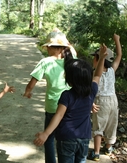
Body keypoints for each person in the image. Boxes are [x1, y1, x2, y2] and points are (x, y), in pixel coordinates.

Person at [33, 44, 108, 163]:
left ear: (70, 80)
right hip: (84, 138)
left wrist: (46, 133)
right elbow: (98, 75)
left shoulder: (67, 95)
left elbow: (59, 115)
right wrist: (102, 58)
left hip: (66, 138)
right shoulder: (91, 91)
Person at [23, 29, 75, 163]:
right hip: (70, 106)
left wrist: (28, 92)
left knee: (49, 138)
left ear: (53, 48)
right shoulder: (71, 60)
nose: (47, 50)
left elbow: (32, 82)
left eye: (48, 47)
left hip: (53, 107)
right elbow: (71, 49)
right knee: (65, 139)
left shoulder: (45, 62)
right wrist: (65, 40)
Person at [88, 34, 122, 161]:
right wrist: (117, 40)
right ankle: (108, 147)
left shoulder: (95, 73)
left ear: (98, 59)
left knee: (98, 126)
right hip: (113, 100)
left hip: (100, 100)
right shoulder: (112, 70)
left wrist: (90, 102)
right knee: (112, 124)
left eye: (94, 58)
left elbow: (90, 90)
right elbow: (119, 56)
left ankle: (96, 153)